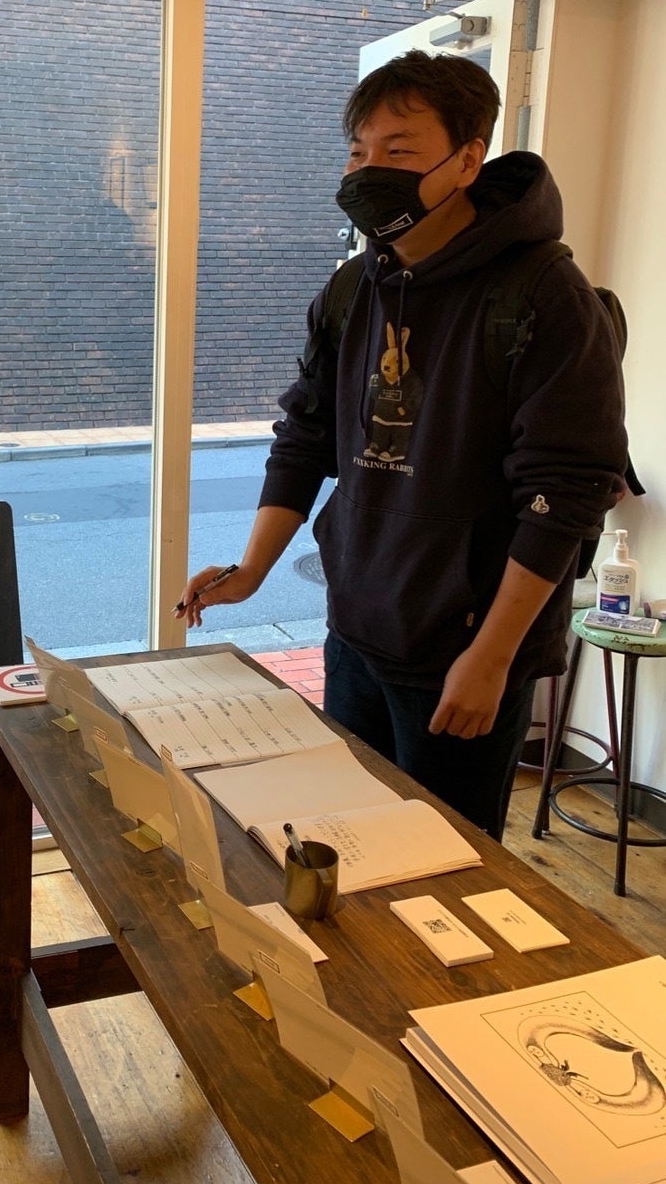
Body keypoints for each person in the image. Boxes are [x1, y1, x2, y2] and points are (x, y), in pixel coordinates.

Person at [179, 51, 628, 840]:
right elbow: (305, 437)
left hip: (466, 651)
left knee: (445, 861)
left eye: (399, 150)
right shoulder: (353, 288)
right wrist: (251, 570)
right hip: (356, 631)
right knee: (350, 838)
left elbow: (564, 495)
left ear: (468, 160)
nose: (368, 171)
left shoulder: (545, 297)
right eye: (358, 151)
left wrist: (493, 657)